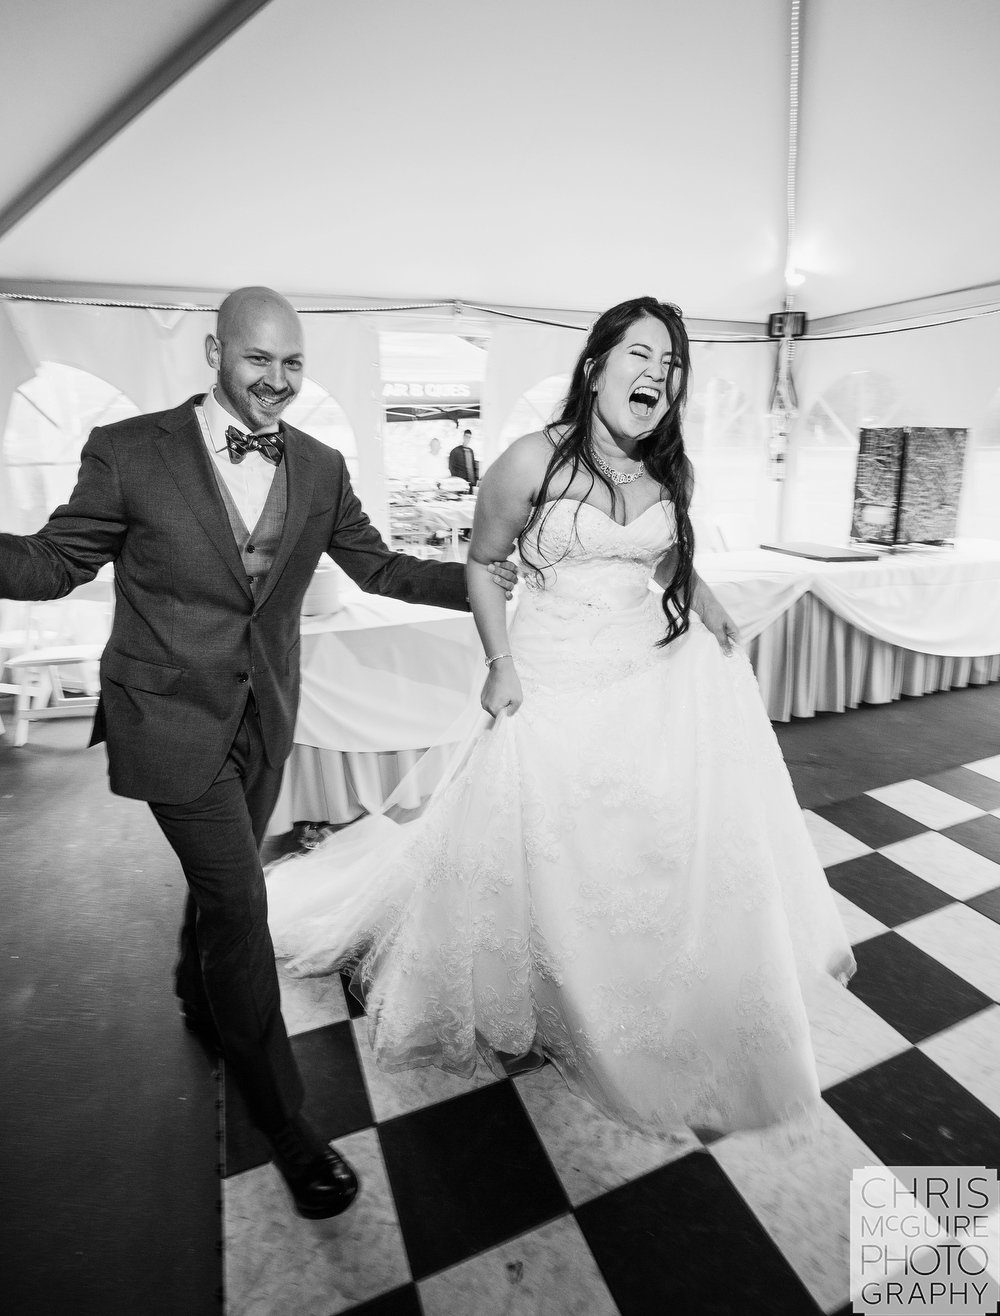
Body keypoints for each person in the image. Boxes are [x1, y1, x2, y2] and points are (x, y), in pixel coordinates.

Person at [266, 296, 855, 1144]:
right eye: (641, 355)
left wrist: (709, 601)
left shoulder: (667, 472)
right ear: (595, 366)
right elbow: (480, 561)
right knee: (544, 832)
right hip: (550, 675)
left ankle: (637, 973)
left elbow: (664, 560)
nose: (658, 373)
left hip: (643, 670)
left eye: (672, 363)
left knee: (638, 834)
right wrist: (501, 666)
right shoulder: (530, 459)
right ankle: (551, 983)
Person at [0, 286, 516, 1219]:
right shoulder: (130, 450)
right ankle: (286, 1125)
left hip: (265, 718)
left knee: (219, 890)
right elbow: (50, 564)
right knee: (243, 907)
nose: (276, 382)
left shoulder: (317, 467)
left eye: (292, 364)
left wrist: (491, 580)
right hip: (168, 719)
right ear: (215, 351)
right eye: (257, 360)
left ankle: (192, 987)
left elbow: (384, 568)